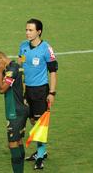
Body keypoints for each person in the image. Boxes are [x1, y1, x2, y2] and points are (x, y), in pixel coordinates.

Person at [18, 18, 58, 170]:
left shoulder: (46, 49)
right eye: (26, 30)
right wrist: (21, 91)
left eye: (31, 30)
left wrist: (52, 93)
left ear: (39, 31)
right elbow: (21, 67)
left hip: (41, 90)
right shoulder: (23, 47)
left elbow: (53, 72)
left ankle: (40, 157)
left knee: (41, 124)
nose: (27, 32)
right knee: (33, 122)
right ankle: (42, 150)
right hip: (27, 90)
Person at [0, 51, 29, 173]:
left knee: (13, 143)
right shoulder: (17, 66)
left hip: (15, 111)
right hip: (22, 108)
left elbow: (2, 89)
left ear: (0, 60)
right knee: (18, 141)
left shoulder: (11, 70)